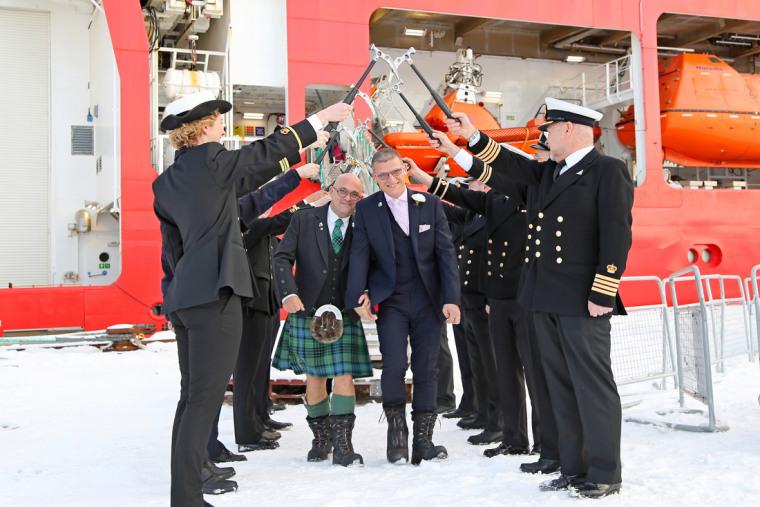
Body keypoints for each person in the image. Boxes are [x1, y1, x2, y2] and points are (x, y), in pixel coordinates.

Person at [154, 90, 349, 506]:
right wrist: (320, 120)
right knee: (203, 399)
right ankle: (185, 497)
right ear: (204, 127)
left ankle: (190, 480)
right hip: (216, 297)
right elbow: (264, 153)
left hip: (186, 298)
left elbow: (173, 252)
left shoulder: (167, 182)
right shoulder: (213, 163)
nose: (224, 127)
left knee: (192, 397)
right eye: (219, 121)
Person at [440, 97, 633, 498]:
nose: (544, 135)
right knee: (558, 386)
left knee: (592, 386)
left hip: (583, 300)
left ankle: (604, 472)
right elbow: (508, 168)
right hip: (543, 297)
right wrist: (469, 139)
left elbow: (617, 234)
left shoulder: (608, 171)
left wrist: (604, 289)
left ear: (568, 129)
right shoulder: (550, 175)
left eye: (548, 128)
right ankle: (573, 467)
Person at [409, 158, 556, 466]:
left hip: (526, 297)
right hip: (499, 297)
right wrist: (421, 177)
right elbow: (460, 198)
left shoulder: (531, 194)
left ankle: (546, 444)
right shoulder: (495, 200)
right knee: (505, 371)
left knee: (535, 373)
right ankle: (514, 437)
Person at [345, 148, 461, 465]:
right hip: (391, 300)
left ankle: (424, 440)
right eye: (383, 174)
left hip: (429, 300)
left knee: (427, 367)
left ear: (404, 169)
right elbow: (359, 254)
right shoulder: (367, 209)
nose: (391, 179)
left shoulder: (431, 204)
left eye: (396, 171)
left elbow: (446, 254)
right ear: (375, 177)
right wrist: (358, 295)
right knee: (394, 366)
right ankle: (397, 434)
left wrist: (452, 298)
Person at [272, 173, 373, 466]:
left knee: (343, 374)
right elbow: (281, 258)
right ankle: (321, 438)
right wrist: (287, 294)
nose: (347, 198)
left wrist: (368, 293)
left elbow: (375, 261)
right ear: (330, 191)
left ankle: (343, 444)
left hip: (344, 310)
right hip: (307, 309)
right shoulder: (304, 219)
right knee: (315, 377)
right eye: (342, 191)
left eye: (355, 194)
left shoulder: (362, 224)